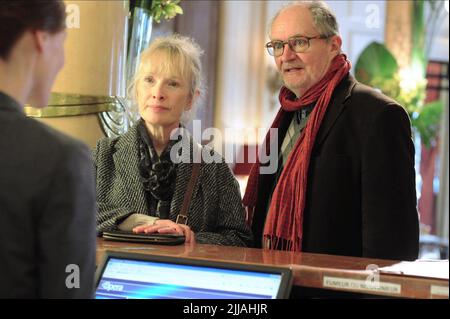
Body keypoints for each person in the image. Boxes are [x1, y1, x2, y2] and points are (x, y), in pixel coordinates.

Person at [243, 1, 419, 260]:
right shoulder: (287, 115)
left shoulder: (379, 115)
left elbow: (391, 244)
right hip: (278, 282)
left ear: (334, 45)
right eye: (278, 46)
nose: (286, 55)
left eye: (299, 42)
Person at [94, 34, 253, 247]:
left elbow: (240, 239)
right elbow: (73, 211)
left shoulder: (214, 168)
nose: (158, 93)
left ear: (190, 99)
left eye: (173, 84)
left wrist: (189, 238)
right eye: (149, 80)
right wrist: (144, 223)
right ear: (137, 90)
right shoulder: (103, 154)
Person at [0, 1, 96, 298]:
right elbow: (70, 289)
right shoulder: (61, 159)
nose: (64, 59)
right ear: (41, 37)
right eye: (63, 42)